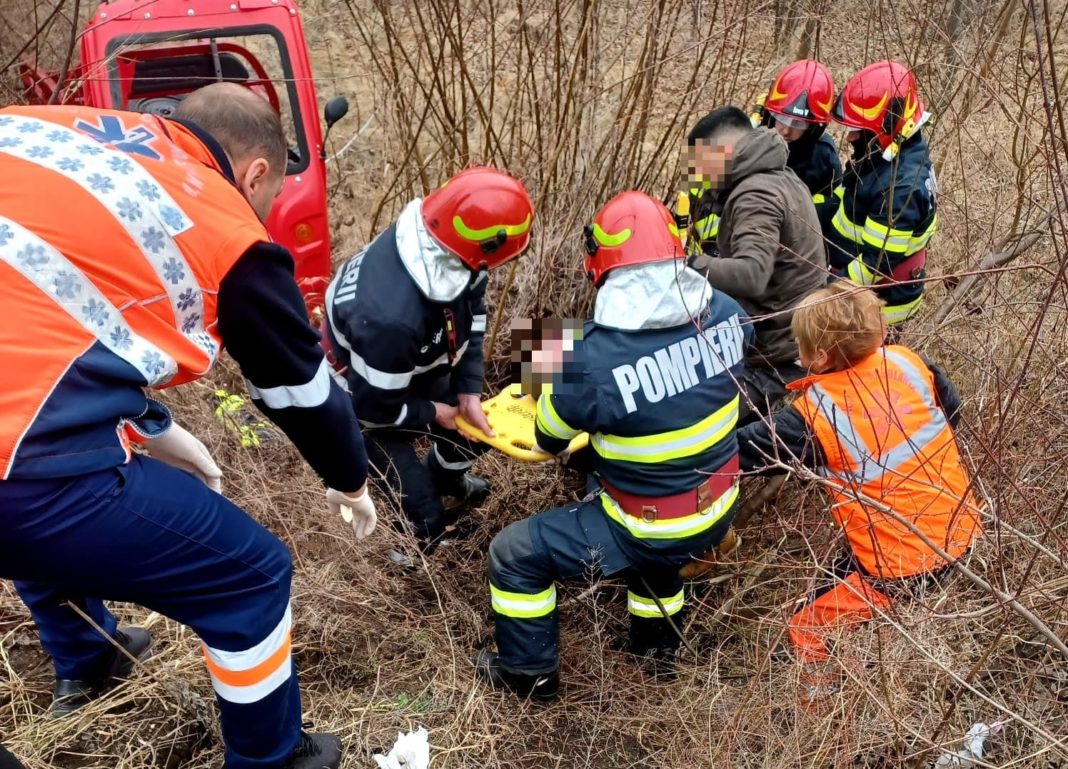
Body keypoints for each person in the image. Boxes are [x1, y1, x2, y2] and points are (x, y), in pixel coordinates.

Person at [0, 83, 375, 769]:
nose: (262, 215)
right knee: (251, 573)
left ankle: (92, 656)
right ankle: (273, 759)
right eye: (269, 198)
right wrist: (350, 480)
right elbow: (302, 391)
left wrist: (150, 423)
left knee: (30, 512)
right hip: (18, 464)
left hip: (18, 433)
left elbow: (42, 315)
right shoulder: (220, 220)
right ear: (256, 171)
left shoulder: (53, 129)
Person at [475, 191, 751, 700]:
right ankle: (656, 653)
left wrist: (556, 376)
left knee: (511, 554)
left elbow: (547, 439)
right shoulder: (730, 314)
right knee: (659, 553)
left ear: (600, 265)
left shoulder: (588, 364)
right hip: (719, 504)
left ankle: (528, 677)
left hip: (649, 526)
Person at [736, 282, 981, 699]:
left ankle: (821, 715)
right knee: (837, 577)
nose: (796, 351)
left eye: (800, 344)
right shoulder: (908, 362)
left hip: (902, 566)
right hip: (963, 527)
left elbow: (741, 452)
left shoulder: (816, 415)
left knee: (805, 625)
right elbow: (951, 412)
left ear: (819, 357)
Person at [324, 168, 534, 548]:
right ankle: (417, 543)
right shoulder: (391, 319)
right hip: (361, 396)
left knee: (477, 427)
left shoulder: (452, 245)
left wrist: (468, 391)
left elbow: (474, 312)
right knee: (423, 509)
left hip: (409, 363)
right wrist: (434, 412)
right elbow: (375, 410)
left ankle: (446, 478)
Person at [685, 106, 828, 418]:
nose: (701, 178)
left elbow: (752, 274)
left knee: (690, 413)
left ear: (720, 153)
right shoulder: (782, 177)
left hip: (774, 360)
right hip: (795, 343)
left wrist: (689, 265)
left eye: (701, 166)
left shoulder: (756, 193)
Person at [828, 60, 937, 329]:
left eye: (860, 130)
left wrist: (827, 290)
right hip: (853, 278)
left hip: (878, 308)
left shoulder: (901, 189)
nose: (851, 137)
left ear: (889, 127)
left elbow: (874, 266)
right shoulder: (887, 156)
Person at [752, 59, 843, 234]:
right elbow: (694, 169)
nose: (785, 130)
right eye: (782, 118)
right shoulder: (747, 134)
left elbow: (833, 208)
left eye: (798, 124)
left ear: (814, 128)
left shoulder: (824, 158)